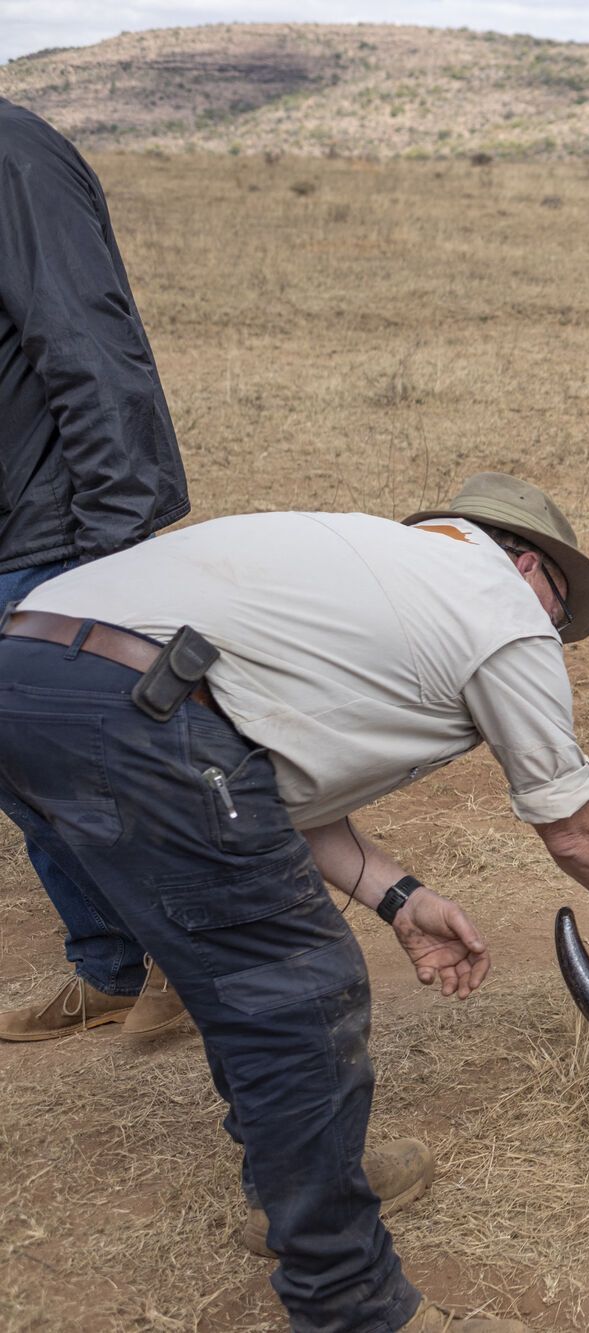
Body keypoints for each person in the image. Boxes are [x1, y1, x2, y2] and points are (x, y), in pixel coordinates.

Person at [0, 473, 589, 1333]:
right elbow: (575, 826)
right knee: (298, 992)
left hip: (29, 674)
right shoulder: (498, 607)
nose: (555, 634)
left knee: (234, 966)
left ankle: (301, 1190)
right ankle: (353, 1305)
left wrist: (400, 898)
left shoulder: (368, 571)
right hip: (137, 706)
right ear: (530, 565)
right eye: (559, 613)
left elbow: (255, 789)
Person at [0, 96, 193, 1043]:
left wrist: (113, 552)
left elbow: (88, 348)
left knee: (112, 766)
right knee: (22, 769)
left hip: (48, 537)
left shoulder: (11, 155)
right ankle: (108, 964)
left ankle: (194, 969)